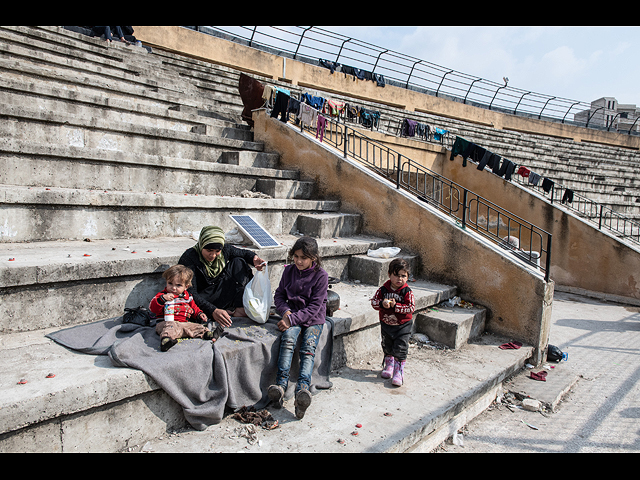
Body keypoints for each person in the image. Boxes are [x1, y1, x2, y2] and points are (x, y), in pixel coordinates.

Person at [268, 237, 328, 419]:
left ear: (314, 258)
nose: (299, 261)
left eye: (303, 257)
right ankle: (280, 386)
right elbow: (279, 295)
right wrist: (285, 312)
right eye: (296, 256)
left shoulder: (321, 276)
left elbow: (314, 307)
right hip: (291, 316)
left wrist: (292, 319)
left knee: (308, 348)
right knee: (287, 341)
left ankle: (302, 390)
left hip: (313, 319)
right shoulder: (289, 271)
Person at [179, 226, 266, 329]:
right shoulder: (189, 258)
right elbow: (190, 292)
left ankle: (239, 306)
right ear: (202, 244)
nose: (213, 255)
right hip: (204, 297)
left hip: (220, 289)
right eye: (209, 250)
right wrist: (213, 310)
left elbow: (244, 253)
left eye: (217, 251)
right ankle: (221, 309)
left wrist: (254, 259)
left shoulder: (225, 250)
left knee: (239, 262)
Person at [149, 264, 216, 352]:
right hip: (165, 324)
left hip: (183, 324)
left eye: (178, 285)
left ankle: (208, 334)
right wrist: (162, 299)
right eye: (170, 283)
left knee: (196, 326)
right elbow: (152, 308)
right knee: (170, 327)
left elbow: (194, 308)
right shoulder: (162, 296)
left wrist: (199, 314)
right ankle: (166, 340)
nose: (173, 288)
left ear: (186, 287)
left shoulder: (188, 297)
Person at [371, 258, 415, 387]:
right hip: (386, 324)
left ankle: (398, 371)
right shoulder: (383, 290)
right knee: (387, 345)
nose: (399, 279)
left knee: (401, 348)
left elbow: (411, 308)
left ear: (407, 277)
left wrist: (396, 307)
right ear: (389, 274)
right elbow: (373, 302)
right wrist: (382, 304)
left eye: (403, 276)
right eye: (396, 275)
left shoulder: (407, 292)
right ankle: (389, 365)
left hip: (403, 326)